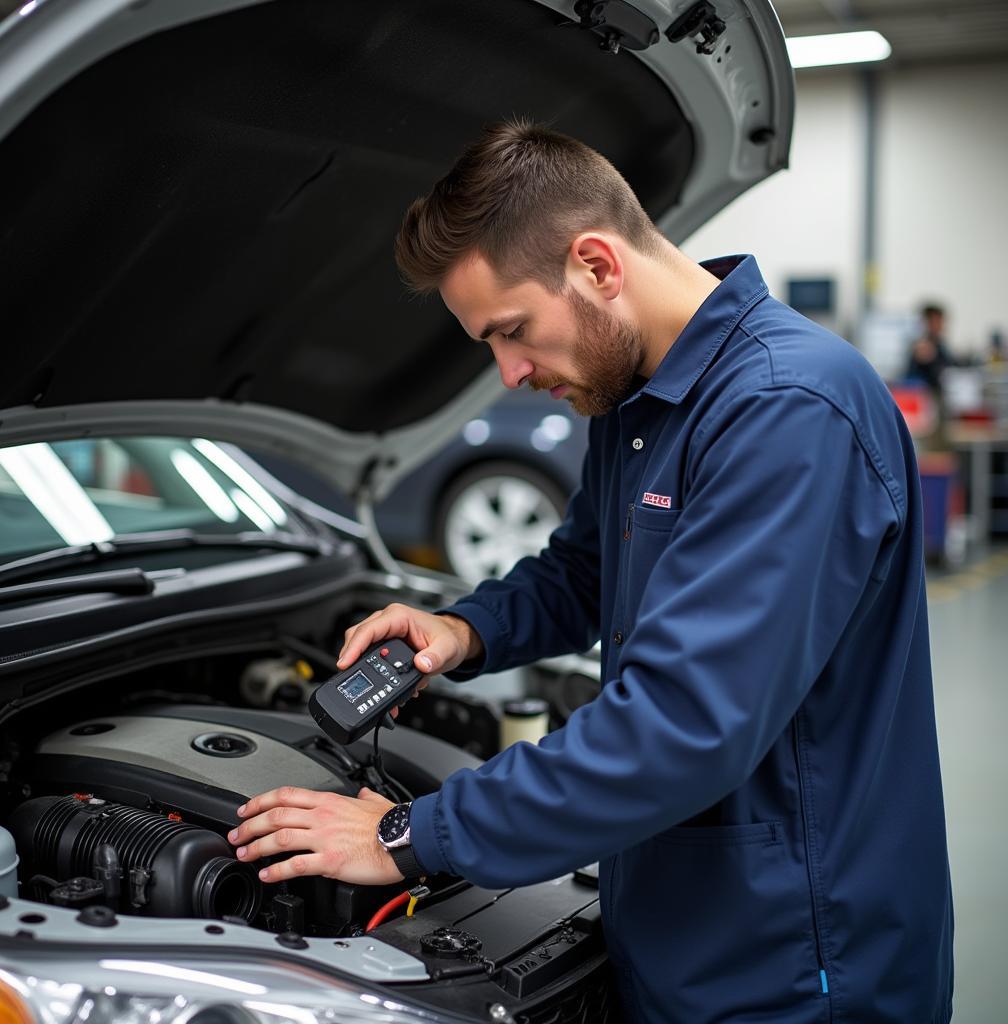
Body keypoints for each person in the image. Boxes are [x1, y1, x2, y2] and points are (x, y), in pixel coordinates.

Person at [228, 121, 954, 1023]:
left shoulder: (786, 411)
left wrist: (408, 835)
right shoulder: (643, 395)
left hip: (796, 963)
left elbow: (681, 725)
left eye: (514, 331)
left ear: (598, 266)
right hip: (684, 925)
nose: (510, 371)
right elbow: (585, 570)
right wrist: (468, 630)